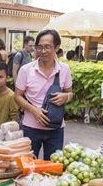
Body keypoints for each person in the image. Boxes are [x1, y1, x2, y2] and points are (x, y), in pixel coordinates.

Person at [14, 29, 73, 160]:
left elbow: (70, 93)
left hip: (56, 129)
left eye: (47, 47)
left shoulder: (64, 69)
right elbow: (17, 96)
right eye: (39, 47)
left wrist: (66, 97)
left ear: (57, 48)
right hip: (30, 127)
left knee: (52, 168)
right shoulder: (26, 70)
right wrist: (34, 111)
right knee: (28, 166)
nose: (43, 51)